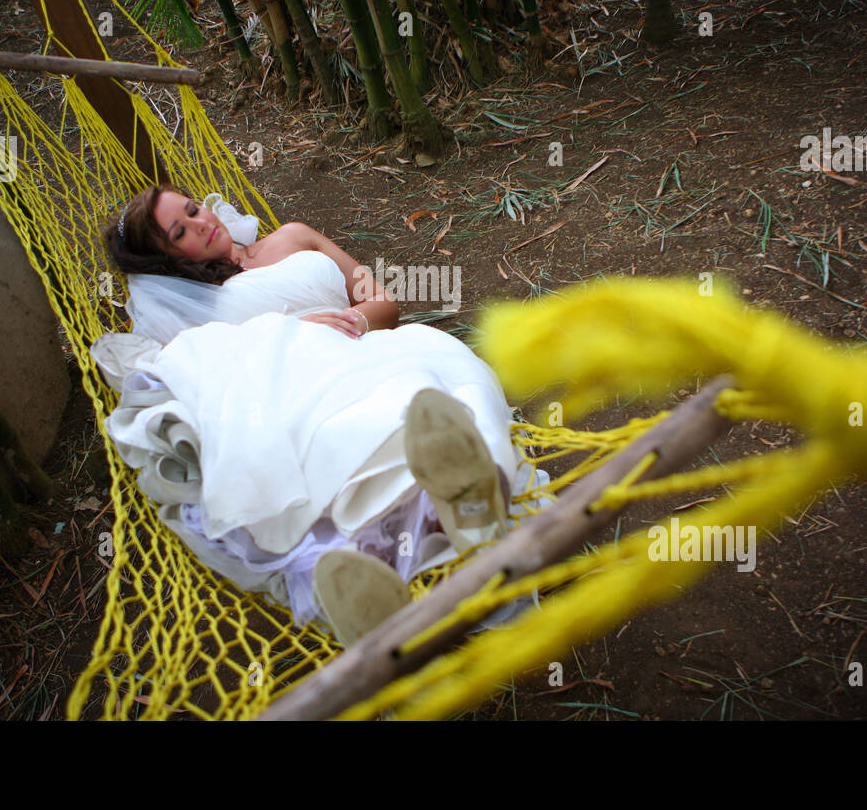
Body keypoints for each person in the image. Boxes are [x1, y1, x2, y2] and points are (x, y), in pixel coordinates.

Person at [90, 186, 545, 645]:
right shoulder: (187, 310)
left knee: (428, 385)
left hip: (367, 351)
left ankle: (466, 511)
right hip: (292, 393)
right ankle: (389, 584)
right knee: (356, 435)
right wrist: (282, 334)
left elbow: (383, 301)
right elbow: (195, 379)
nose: (202, 222)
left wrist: (356, 322)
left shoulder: (294, 235)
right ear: (166, 262)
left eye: (193, 209)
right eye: (180, 231)